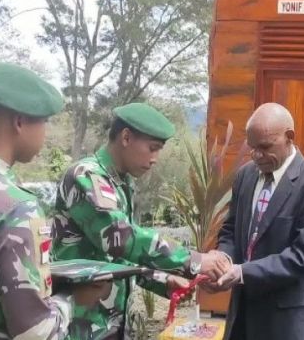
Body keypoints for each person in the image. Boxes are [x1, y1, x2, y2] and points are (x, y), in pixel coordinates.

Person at [0, 62, 106, 339]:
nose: (46, 133)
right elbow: (34, 332)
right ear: (19, 122)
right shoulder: (14, 206)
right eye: (44, 121)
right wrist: (74, 299)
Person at [52, 102, 230, 339]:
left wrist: (162, 281)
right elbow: (121, 239)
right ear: (126, 137)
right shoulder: (87, 176)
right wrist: (194, 260)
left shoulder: (122, 183)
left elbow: (119, 259)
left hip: (109, 321)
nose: (155, 159)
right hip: (80, 324)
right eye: (152, 148)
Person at [207, 103, 304, 340]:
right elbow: (230, 230)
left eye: (265, 147)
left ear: (289, 138)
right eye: (252, 147)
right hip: (242, 317)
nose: (257, 155)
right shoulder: (245, 175)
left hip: (286, 323)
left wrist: (241, 272)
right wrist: (222, 262)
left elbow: (302, 257)